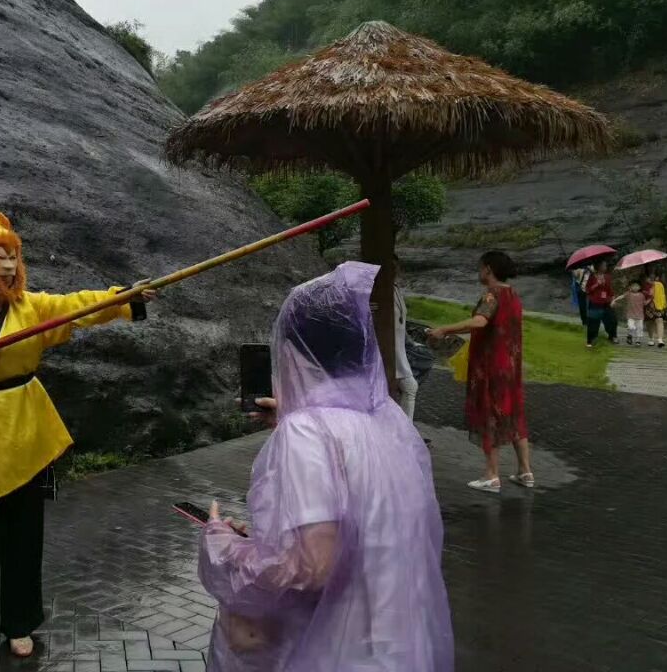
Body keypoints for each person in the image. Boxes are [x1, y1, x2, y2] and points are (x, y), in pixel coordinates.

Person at [0, 211, 156, 657]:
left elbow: (79, 307)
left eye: (14, 256)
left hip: (27, 427)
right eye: (0, 256)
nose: (9, 264)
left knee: (25, 534)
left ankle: (19, 623)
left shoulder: (31, 307)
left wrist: (123, 299)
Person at [198, 262, 453, 671]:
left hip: (338, 654)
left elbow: (312, 565)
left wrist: (226, 548)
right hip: (397, 647)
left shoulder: (306, 434)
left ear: (293, 348)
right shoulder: (388, 419)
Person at [427, 251, 533, 493]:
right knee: (514, 413)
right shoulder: (513, 295)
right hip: (510, 366)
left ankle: (491, 475)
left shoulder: (492, 295)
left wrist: (444, 329)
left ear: (488, 269)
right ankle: (525, 471)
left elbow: (479, 322)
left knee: (490, 414)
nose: (479, 272)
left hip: (491, 367)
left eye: (480, 267)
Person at [394, 253, 419, 421]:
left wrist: (412, 342)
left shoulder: (395, 288)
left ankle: (403, 432)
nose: (396, 270)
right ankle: (406, 435)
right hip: (388, 349)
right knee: (410, 387)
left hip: (399, 348)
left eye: (397, 266)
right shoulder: (379, 290)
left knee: (409, 387)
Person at [583, 260, 618, 349]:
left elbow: (610, 290)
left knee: (612, 319)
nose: (605, 267)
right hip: (595, 302)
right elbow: (587, 290)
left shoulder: (607, 277)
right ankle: (591, 340)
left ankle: (612, 336)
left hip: (606, 302)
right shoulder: (592, 277)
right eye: (604, 265)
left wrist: (613, 299)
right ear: (598, 266)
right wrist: (596, 284)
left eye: (605, 265)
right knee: (593, 322)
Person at [612, 280, 646, 346]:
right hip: (631, 315)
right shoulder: (628, 294)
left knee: (640, 328)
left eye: (637, 286)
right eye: (633, 286)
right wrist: (615, 300)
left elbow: (645, 303)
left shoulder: (642, 295)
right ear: (630, 287)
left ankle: (638, 340)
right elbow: (622, 296)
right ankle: (629, 335)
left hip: (640, 315)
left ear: (640, 287)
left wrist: (650, 298)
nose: (635, 287)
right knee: (631, 327)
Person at [644, 270, 667, 347]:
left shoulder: (659, 285)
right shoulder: (645, 285)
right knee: (649, 322)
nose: (651, 279)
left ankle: (660, 339)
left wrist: (663, 306)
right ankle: (651, 339)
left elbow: (662, 296)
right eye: (649, 278)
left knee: (659, 320)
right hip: (648, 306)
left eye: (653, 278)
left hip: (658, 306)